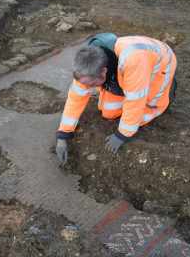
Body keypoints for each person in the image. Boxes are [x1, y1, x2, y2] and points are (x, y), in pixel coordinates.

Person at [55, 33, 177, 165]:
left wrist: (122, 135)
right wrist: (63, 135)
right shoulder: (86, 66)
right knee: (109, 112)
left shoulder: (133, 60)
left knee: (148, 107)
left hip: (159, 66)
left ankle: (168, 90)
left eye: (91, 85)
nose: (87, 88)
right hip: (127, 70)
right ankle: (126, 84)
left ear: (104, 72)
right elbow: (75, 99)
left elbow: (135, 101)